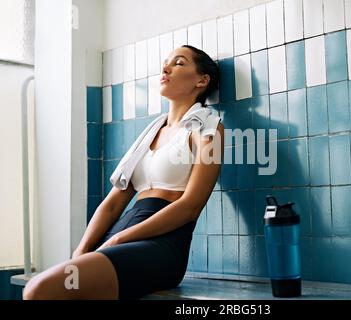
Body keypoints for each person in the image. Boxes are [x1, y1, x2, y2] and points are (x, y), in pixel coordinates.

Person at [23, 45, 224, 300]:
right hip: (123, 233)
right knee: (48, 285)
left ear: (202, 80)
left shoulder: (209, 129)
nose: (165, 68)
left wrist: (119, 239)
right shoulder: (151, 132)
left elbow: (191, 205)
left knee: (39, 290)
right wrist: (82, 249)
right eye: (165, 62)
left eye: (179, 63)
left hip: (160, 246)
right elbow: (112, 204)